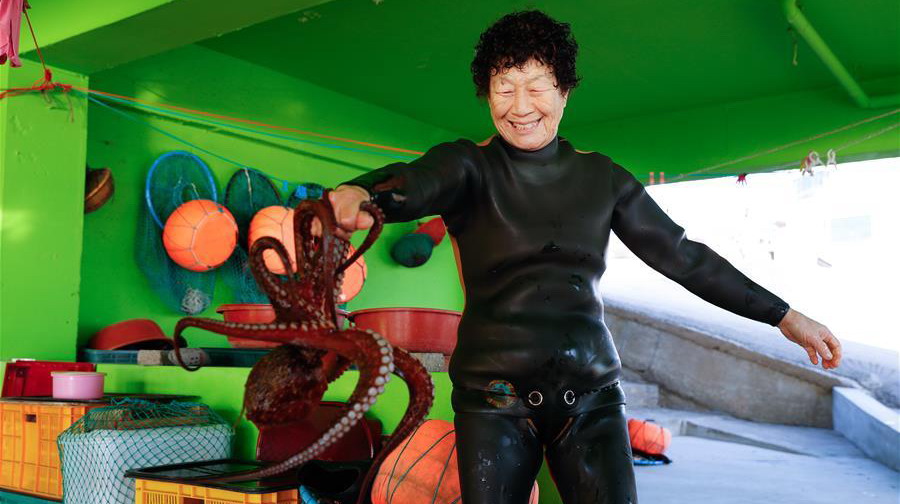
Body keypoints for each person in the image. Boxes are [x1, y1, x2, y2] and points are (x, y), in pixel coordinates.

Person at [322, 10, 842, 504]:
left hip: (591, 396)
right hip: (493, 399)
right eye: (504, 88)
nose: (520, 106)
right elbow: (416, 181)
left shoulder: (603, 178)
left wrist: (783, 315)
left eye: (536, 87)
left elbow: (683, 257)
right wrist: (360, 193)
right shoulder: (467, 167)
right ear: (487, 94)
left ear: (564, 91)